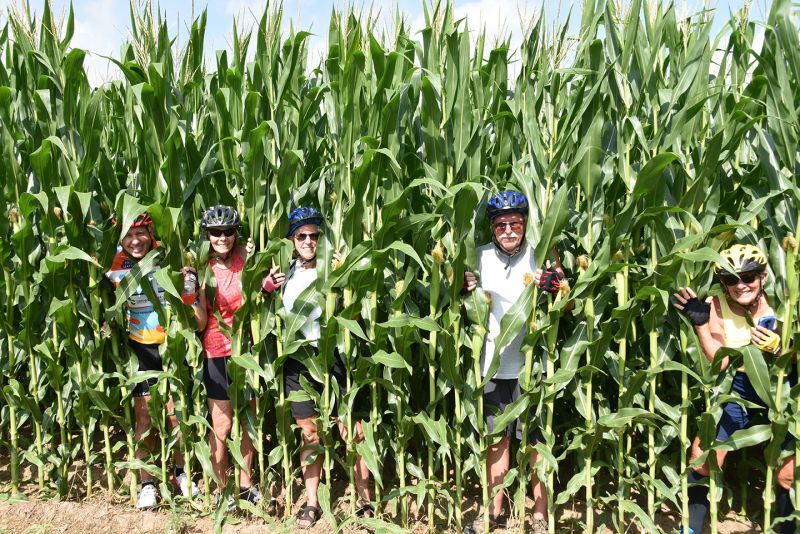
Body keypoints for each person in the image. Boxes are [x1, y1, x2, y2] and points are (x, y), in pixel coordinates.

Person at [261, 206, 372, 529]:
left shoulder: (335, 268)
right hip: (298, 362)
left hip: (333, 358)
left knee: (352, 431)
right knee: (309, 433)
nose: (309, 241)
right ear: (292, 240)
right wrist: (266, 289)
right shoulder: (285, 275)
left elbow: (355, 313)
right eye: (302, 236)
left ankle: (364, 499)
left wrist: (346, 279)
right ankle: (311, 502)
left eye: (314, 235)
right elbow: (264, 315)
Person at [462, 191, 565, 534]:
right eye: (501, 225)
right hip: (492, 367)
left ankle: (540, 516)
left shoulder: (541, 253)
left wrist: (558, 286)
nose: (508, 230)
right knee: (497, 441)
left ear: (525, 224)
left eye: (516, 224)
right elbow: (458, 298)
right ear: (492, 228)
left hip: (531, 367)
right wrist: (460, 288)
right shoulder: (479, 257)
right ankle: (493, 513)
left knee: (536, 444)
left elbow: (568, 296)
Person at [673, 244, 795, 534]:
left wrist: (781, 349)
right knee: (703, 457)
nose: (741, 285)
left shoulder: (783, 301)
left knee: (788, 474)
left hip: (785, 386)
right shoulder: (717, 305)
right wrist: (701, 325)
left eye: (748, 277)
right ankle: (689, 529)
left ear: (763, 277)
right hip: (738, 387)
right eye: (731, 279)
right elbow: (721, 361)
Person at [105, 212, 204, 509]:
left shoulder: (167, 257)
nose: (135, 240)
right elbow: (105, 301)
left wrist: (190, 283)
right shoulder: (115, 263)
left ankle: (180, 473)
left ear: (151, 234)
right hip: (142, 350)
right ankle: (147, 483)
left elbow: (188, 296)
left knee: (176, 416)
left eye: (141, 233)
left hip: (172, 346)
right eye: (128, 234)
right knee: (145, 420)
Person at [197, 205, 261, 510]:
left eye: (228, 231)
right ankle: (221, 489)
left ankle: (246, 486)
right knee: (221, 426)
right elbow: (199, 322)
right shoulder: (202, 268)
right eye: (215, 232)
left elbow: (258, 298)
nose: (222, 237)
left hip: (246, 350)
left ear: (236, 233)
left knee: (248, 422)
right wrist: (191, 297)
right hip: (217, 351)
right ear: (207, 235)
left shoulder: (245, 259)